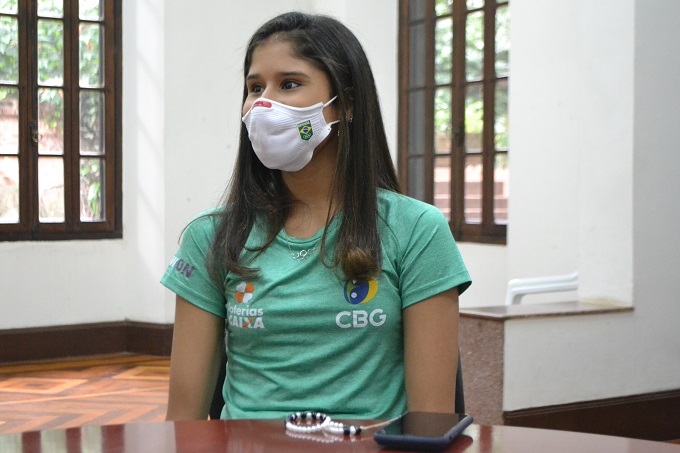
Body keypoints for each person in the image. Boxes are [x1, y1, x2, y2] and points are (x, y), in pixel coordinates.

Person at [161, 11, 471, 422]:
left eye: (289, 84)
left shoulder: (415, 230)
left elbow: (430, 423)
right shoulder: (211, 236)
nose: (263, 104)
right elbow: (183, 423)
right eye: (255, 88)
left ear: (346, 104)